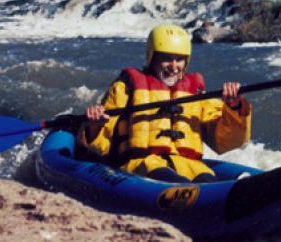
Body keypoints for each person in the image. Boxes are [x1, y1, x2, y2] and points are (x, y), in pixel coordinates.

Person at [79, 24, 251, 183]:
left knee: (207, 180)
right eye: (167, 58)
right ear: (152, 57)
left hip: (190, 166)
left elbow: (226, 140)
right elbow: (102, 143)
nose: (174, 66)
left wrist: (234, 107)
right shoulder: (125, 87)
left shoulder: (197, 93)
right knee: (177, 182)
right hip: (143, 165)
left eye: (180, 59)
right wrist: (94, 126)